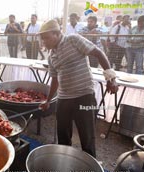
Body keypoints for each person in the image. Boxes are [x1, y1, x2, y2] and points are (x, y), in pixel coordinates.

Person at [38, 20, 118, 157]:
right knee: (63, 135)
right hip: (63, 99)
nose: (43, 41)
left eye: (46, 37)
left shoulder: (73, 39)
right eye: (42, 38)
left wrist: (111, 78)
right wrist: (48, 100)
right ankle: (64, 163)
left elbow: (98, 52)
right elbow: (55, 80)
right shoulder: (51, 57)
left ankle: (90, 171)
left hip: (84, 96)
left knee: (87, 137)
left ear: (57, 34)